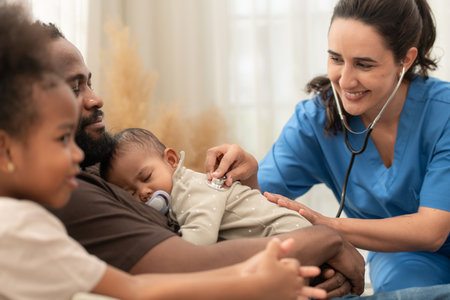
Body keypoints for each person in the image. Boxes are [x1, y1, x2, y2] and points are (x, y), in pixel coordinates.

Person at [0, 2, 327, 300]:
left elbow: (135, 288)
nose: (96, 99)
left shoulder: (55, 203)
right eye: (61, 138)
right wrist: (325, 241)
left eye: (89, 82)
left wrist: (251, 189)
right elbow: (172, 273)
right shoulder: (31, 217)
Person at [206, 0, 450, 294]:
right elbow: (261, 206)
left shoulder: (443, 113)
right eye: (336, 59)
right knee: (407, 289)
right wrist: (249, 176)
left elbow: (432, 230)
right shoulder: (314, 122)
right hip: (404, 257)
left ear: (406, 60)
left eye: (363, 64)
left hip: (425, 242)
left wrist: (326, 231)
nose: (345, 80)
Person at [100, 128, 310, 245]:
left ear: (171, 161)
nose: (143, 193)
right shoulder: (173, 201)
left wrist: (172, 256)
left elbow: (202, 235)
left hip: (286, 230)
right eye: (130, 193)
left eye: (146, 177)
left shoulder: (190, 188)